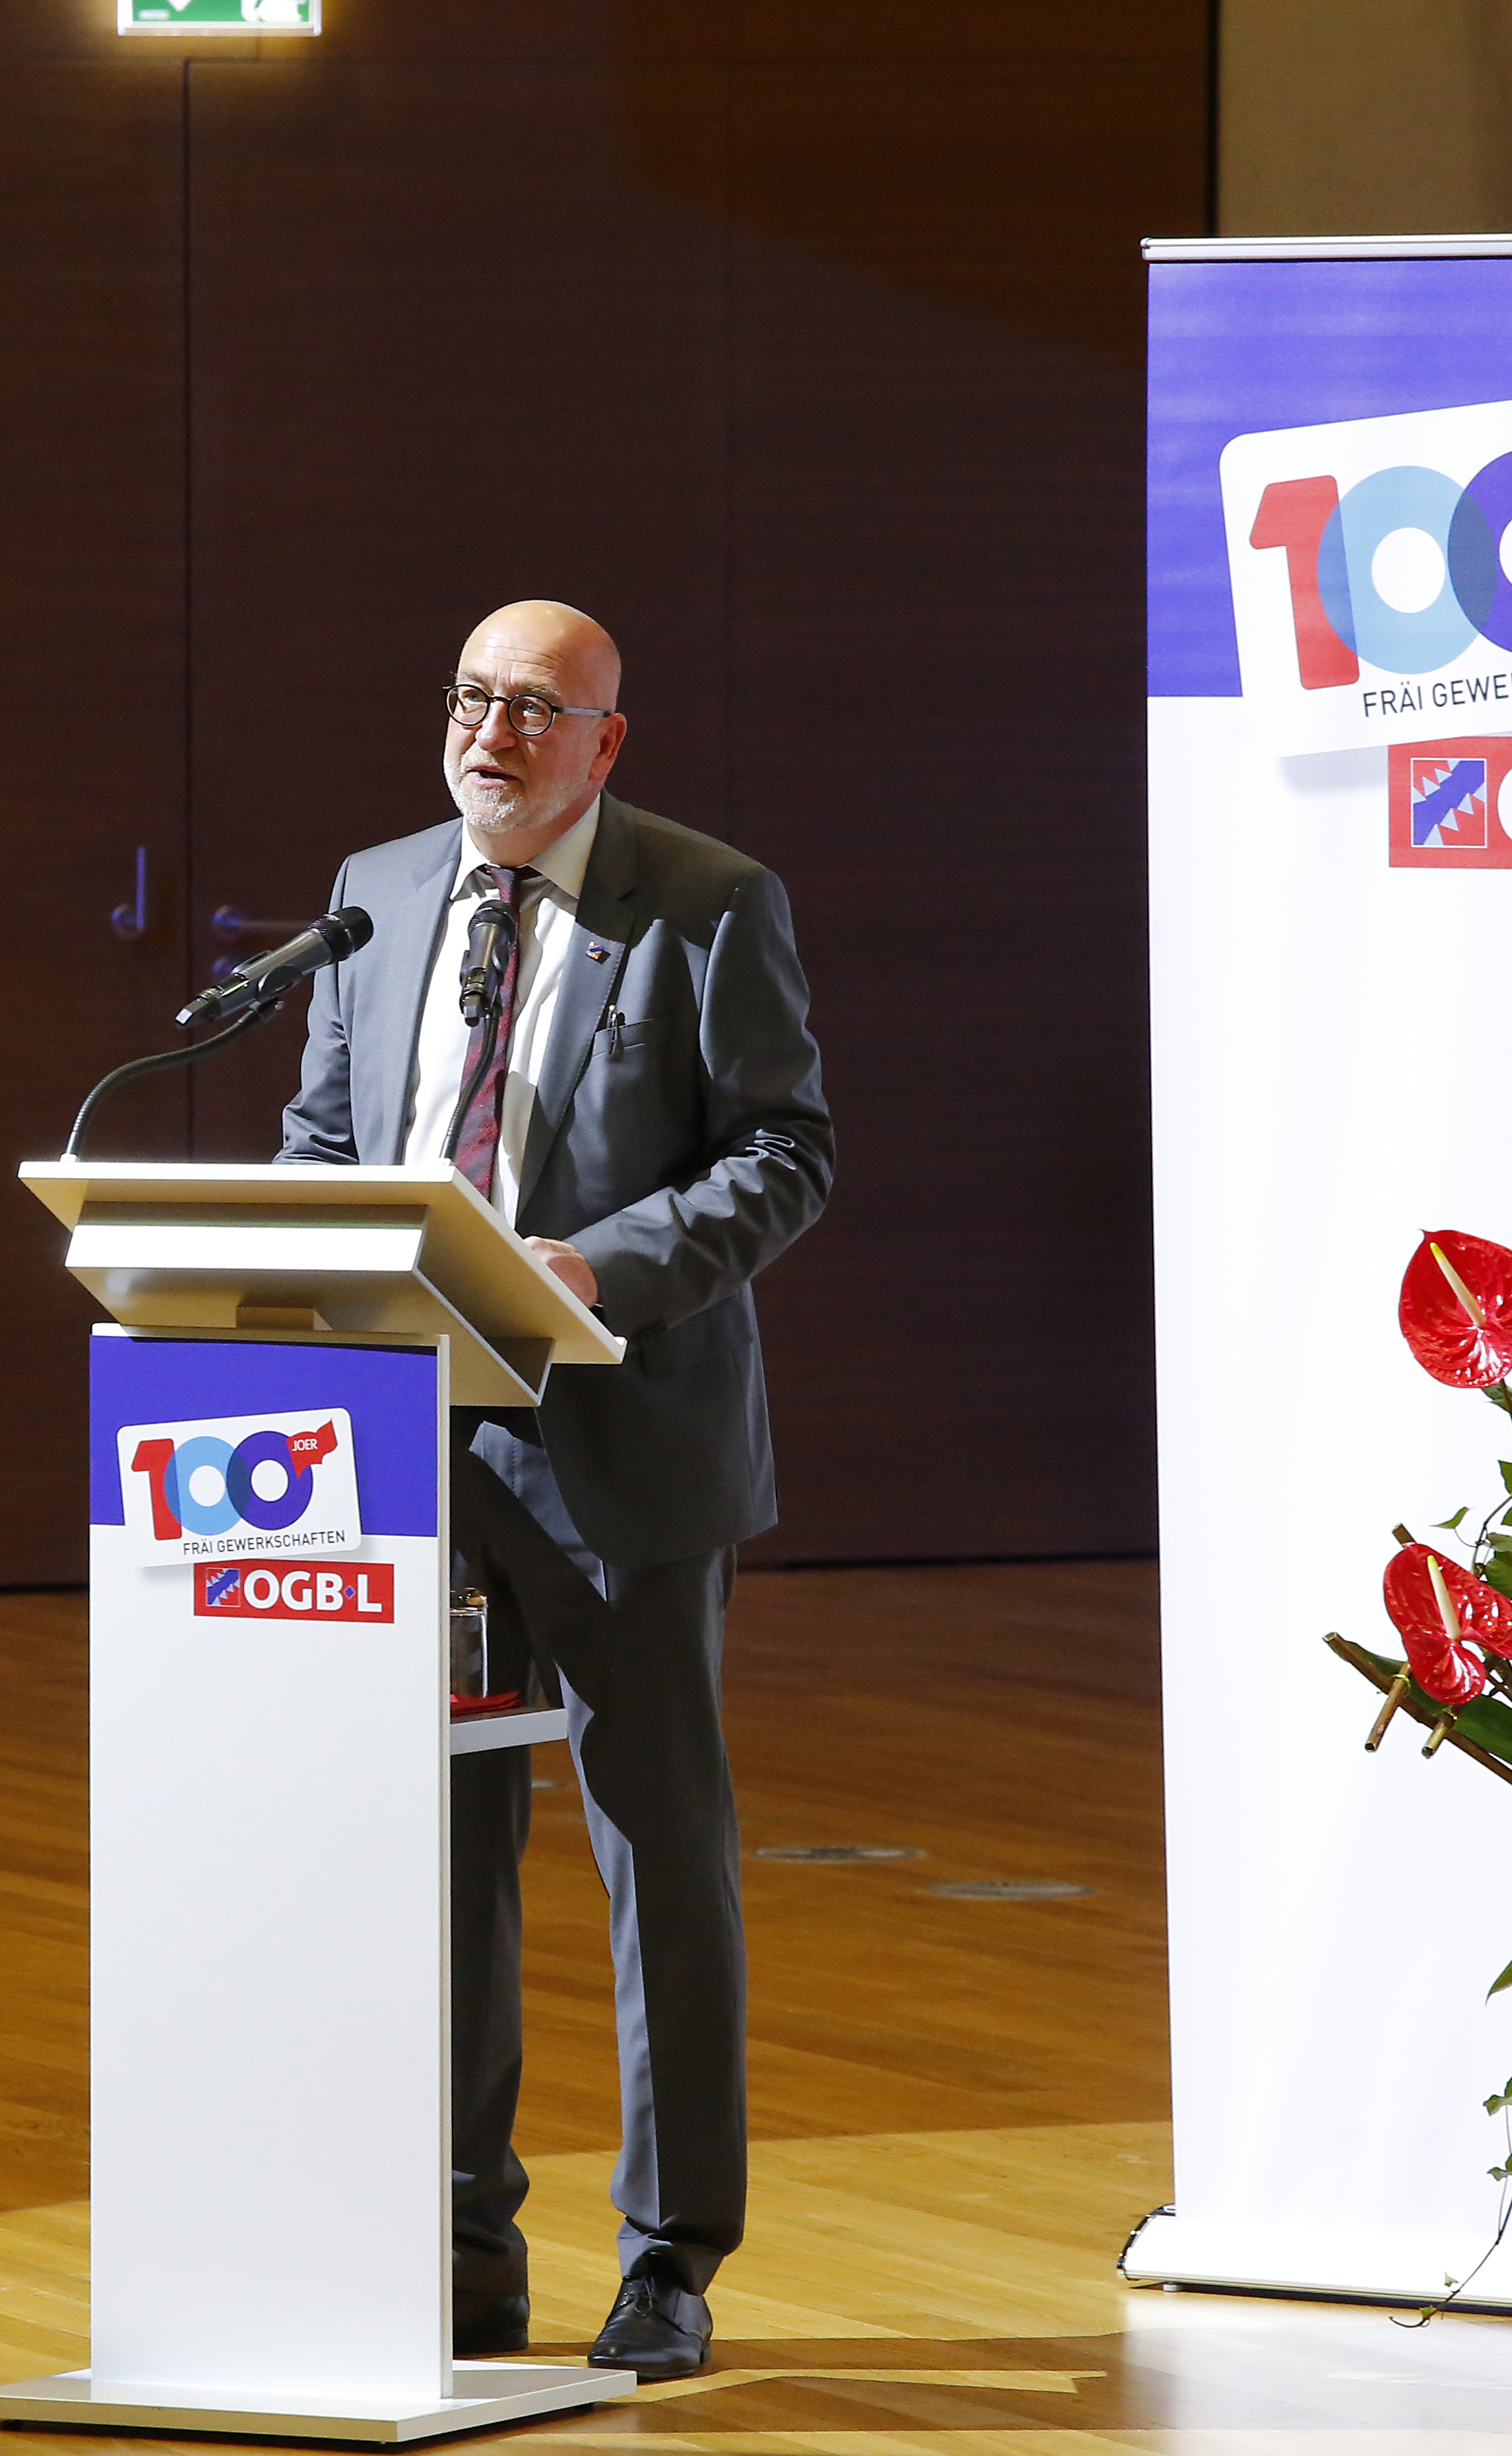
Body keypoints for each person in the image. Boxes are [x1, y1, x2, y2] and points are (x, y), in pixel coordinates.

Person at [279, 599, 833, 2380]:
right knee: (441, 1852)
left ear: (608, 741)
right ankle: (460, 2251)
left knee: (656, 1852)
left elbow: (787, 1151)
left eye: (535, 708)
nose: (493, 734)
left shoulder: (709, 900)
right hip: (408, 1448)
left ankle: (671, 2258)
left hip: (622, 1442)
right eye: (471, 699)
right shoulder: (376, 891)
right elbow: (325, 1141)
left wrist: (601, 1265)